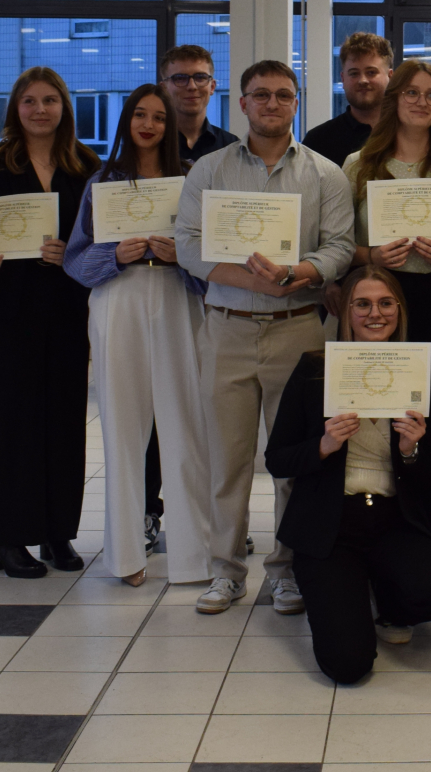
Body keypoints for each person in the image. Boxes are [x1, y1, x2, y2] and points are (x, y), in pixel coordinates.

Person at [175, 59, 355, 615]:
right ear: (243, 104)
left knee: (293, 464)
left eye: (283, 95)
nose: (272, 104)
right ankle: (225, 572)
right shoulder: (210, 170)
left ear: (296, 102)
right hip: (225, 330)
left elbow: (340, 248)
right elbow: (189, 245)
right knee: (226, 461)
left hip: (296, 331)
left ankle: (287, 572)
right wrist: (252, 278)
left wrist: (295, 275)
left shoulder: (326, 173)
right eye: (260, 95)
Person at [263, 265, 431, 683]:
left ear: (400, 310)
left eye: (386, 303)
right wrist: (323, 445)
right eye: (363, 304)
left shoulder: (420, 376)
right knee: (348, 665)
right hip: (330, 528)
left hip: (395, 522)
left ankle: (384, 597)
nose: (376, 313)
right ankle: (351, 591)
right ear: (345, 311)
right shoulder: (314, 370)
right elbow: (277, 459)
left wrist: (411, 452)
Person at [65, 84, 211, 588]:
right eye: (140, 115)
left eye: (159, 117)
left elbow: (209, 263)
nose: (148, 125)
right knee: (123, 430)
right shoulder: (103, 182)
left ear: (171, 127)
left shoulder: (190, 181)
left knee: (185, 425)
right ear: (126, 120)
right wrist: (116, 256)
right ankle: (126, 555)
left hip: (175, 298)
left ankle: (194, 556)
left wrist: (181, 257)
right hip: (118, 299)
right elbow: (76, 261)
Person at [0, 67, 101, 578]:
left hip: (66, 310)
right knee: (11, 426)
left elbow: (100, 239)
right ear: (14, 109)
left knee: (64, 424)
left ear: (65, 107)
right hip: (9, 311)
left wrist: (74, 251)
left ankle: (57, 533)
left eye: (50, 100)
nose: (40, 110)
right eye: (29, 101)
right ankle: (5, 537)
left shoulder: (86, 165)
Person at [342, 59, 431, 420]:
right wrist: (372, 255)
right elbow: (338, 245)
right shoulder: (359, 166)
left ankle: (429, 476)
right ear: (394, 100)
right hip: (377, 299)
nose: (423, 102)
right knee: (375, 399)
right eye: (412, 93)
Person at [145, 43, 239, 552]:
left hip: (214, 297)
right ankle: (147, 511)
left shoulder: (230, 149)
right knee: (155, 408)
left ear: (213, 86)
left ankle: (212, 520)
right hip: (155, 293)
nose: (191, 87)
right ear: (164, 84)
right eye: (179, 78)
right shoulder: (145, 147)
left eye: (200, 78)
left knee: (210, 412)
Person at [304, 31, 392, 167]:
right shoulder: (317, 142)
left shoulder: (408, 134)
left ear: (390, 76)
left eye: (371, 72)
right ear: (343, 78)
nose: (363, 80)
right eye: (354, 73)